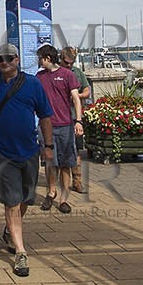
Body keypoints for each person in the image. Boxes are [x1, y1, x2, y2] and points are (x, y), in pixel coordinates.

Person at [0, 43, 53, 278]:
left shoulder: (33, 84)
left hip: (29, 150)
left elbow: (45, 116)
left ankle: (10, 229)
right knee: (12, 202)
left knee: (26, 198)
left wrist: (48, 146)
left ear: (17, 60)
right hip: (2, 152)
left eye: (8, 58)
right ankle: (20, 250)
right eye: (0, 59)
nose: (4, 62)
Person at [36, 45, 83, 214]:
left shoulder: (67, 75)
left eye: (39, 58)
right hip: (45, 126)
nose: (38, 61)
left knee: (65, 164)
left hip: (65, 125)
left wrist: (78, 121)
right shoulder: (39, 77)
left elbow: (76, 99)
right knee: (50, 163)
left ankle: (64, 199)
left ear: (47, 58)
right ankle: (51, 192)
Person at [58, 47, 91, 193]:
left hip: (74, 116)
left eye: (71, 62)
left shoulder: (77, 73)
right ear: (61, 59)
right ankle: (60, 182)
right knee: (60, 151)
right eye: (66, 62)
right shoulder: (56, 72)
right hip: (59, 118)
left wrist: (78, 96)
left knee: (77, 150)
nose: (69, 65)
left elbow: (87, 90)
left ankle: (77, 181)